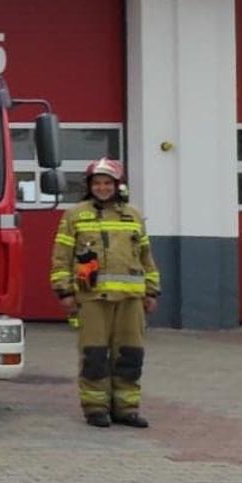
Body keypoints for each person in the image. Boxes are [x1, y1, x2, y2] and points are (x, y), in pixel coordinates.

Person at [50, 157, 160, 428]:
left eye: (107, 183)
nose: (102, 187)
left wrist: (152, 291)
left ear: (117, 185)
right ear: (89, 186)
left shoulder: (133, 216)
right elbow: (61, 257)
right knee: (95, 355)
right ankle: (95, 408)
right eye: (97, 183)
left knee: (130, 355)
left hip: (130, 300)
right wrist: (64, 291)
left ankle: (127, 408)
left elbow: (146, 257)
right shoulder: (75, 215)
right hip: (92, 298)